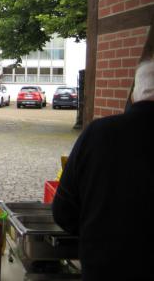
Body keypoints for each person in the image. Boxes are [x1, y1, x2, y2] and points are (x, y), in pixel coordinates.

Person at [52, 60, 154, 281]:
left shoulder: (99, 132)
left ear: (135, 95)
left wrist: (96, 236)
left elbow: (63, 210)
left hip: (104, 267)